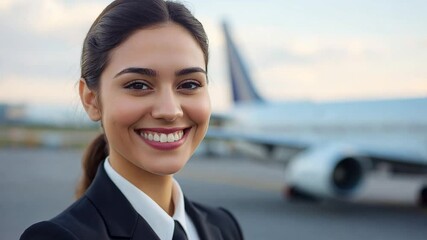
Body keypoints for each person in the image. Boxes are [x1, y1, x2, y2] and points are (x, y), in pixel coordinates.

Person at [20, 0, 244, 239]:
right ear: (91, 100)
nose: (170, 110)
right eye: (138, 85)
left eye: (189, 84)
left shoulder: (224, 227)